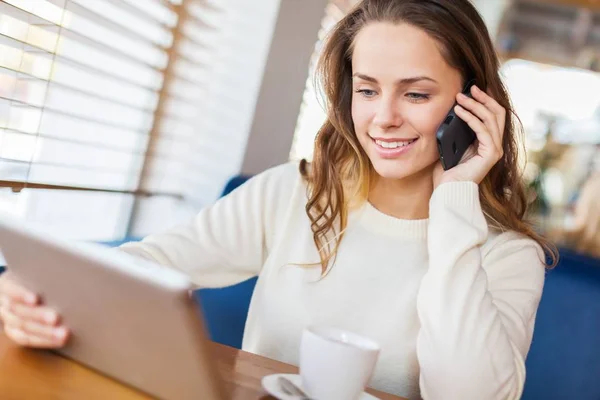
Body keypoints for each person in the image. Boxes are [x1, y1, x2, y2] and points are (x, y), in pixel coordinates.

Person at [0, 0, 558, 398]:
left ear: (472, 105)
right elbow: (154, 262)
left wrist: (456, 200)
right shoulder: (298, 192)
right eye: (366, 89)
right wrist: (34, 291)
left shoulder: (506, 256)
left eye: (415, 93)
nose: (383, 117)